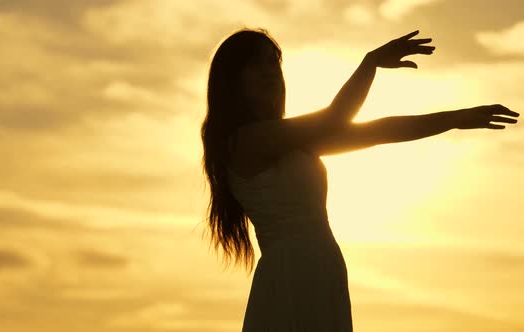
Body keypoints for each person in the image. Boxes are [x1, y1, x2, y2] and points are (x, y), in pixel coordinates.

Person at [199, 27, 519, 332]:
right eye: (257, 64)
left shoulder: (294, 140)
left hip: (322, 266)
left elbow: (378, 131)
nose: (270, 71)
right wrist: (371, 62)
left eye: (273, 61)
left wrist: (456, 118)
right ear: (233, 81)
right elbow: (335, 117)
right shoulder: (244, 141)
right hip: (290, 272)